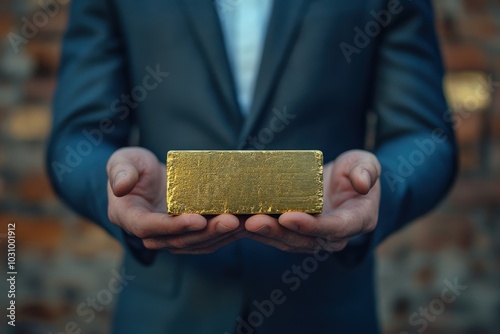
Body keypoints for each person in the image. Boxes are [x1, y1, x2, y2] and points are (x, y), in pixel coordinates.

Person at [46, 0, 457, 333]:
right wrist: (116, 187)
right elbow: (77, 139)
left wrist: (376, 193)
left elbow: (425, 136)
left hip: (323, 307)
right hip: (165, 312)